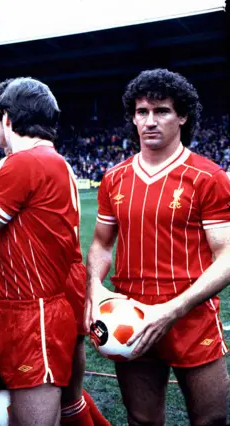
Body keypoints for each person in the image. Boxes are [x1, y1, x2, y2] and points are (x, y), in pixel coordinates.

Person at [85, 68, 230, 426]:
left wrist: (172, 310)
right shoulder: (113, 178)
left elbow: (226, 256)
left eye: (161, 110)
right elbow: (102, 245)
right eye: (141, 112)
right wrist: (93, 290)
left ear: (182, 115)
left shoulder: (208, 177)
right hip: (130, 317)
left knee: (211, 420)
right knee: (142, 420)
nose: (150, 121)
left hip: (190, 317)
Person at [0, 78, 80, 425]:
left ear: (7, 118)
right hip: (9, 308)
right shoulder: (47, 160)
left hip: (33, 315)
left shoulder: (26, 162)